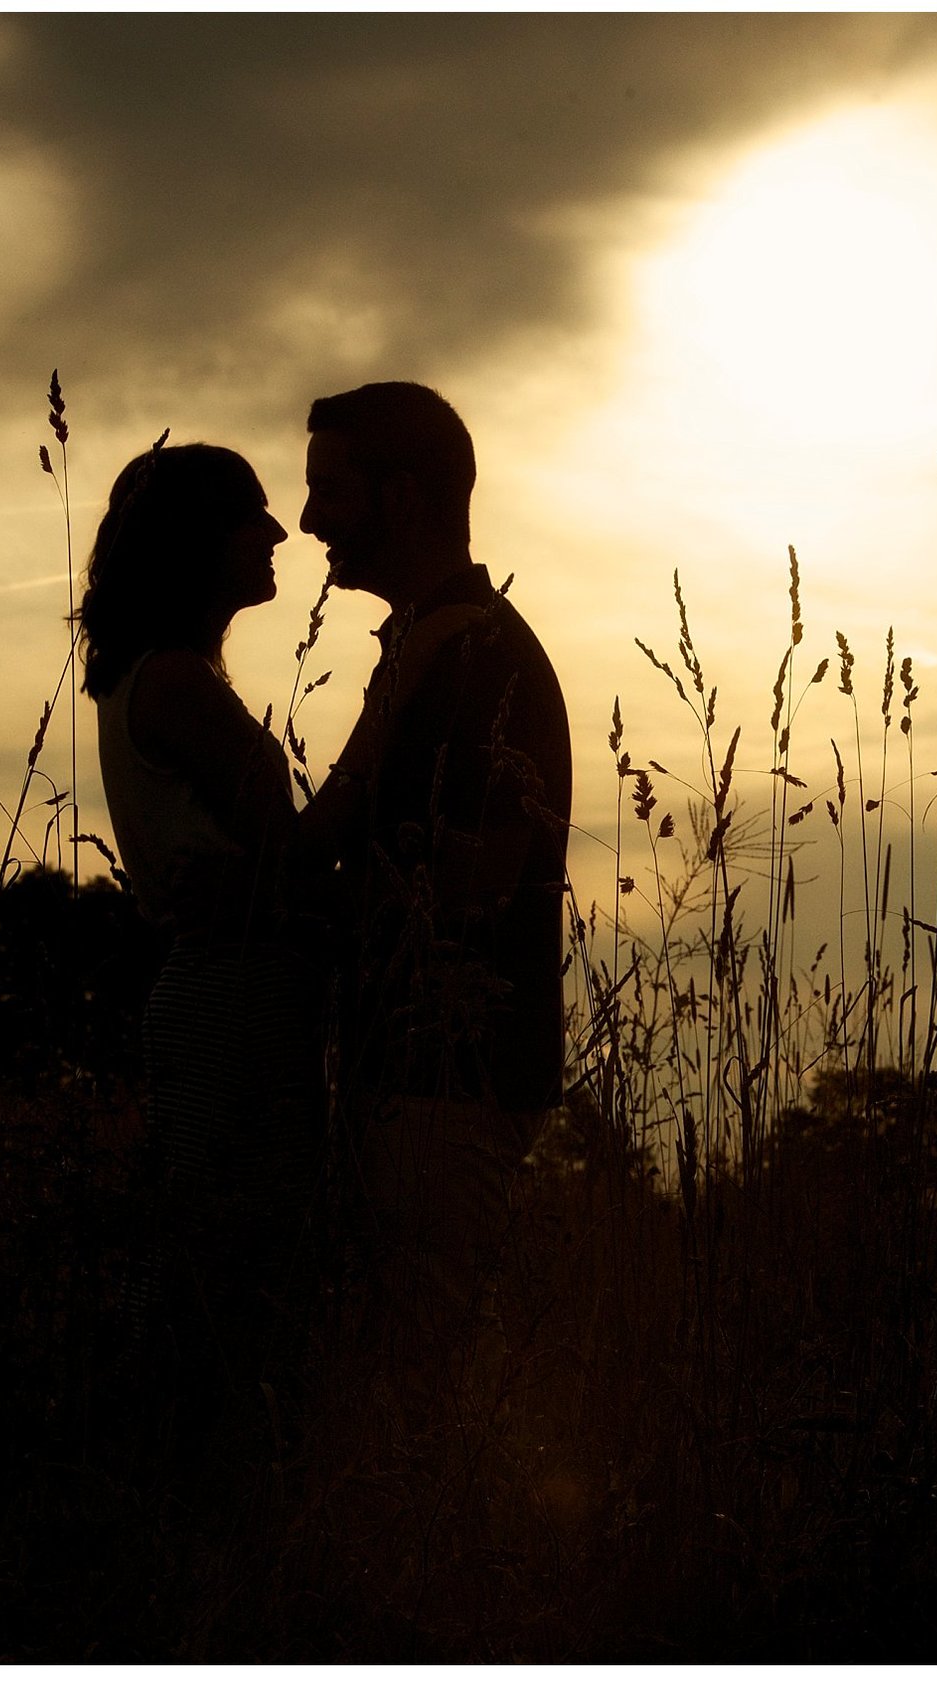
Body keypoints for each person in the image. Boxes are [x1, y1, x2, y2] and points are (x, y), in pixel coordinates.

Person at [294, 382, 572, 1334]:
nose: (306, 521)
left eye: (331, 491)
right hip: (409, 1078)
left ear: (402, 495)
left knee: (415, 1379)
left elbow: (475, 880)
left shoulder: (481, 660)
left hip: (451, 1084)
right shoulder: (431, 644)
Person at [80, 441, 321, 1366]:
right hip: (235, 994)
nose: (275, 531)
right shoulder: (174, 682)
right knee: (227, 1259)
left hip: (220, 989)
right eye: (248, 514)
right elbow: (287, 862)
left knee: (209, 1243)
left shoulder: (156, 674)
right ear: (194, 539)